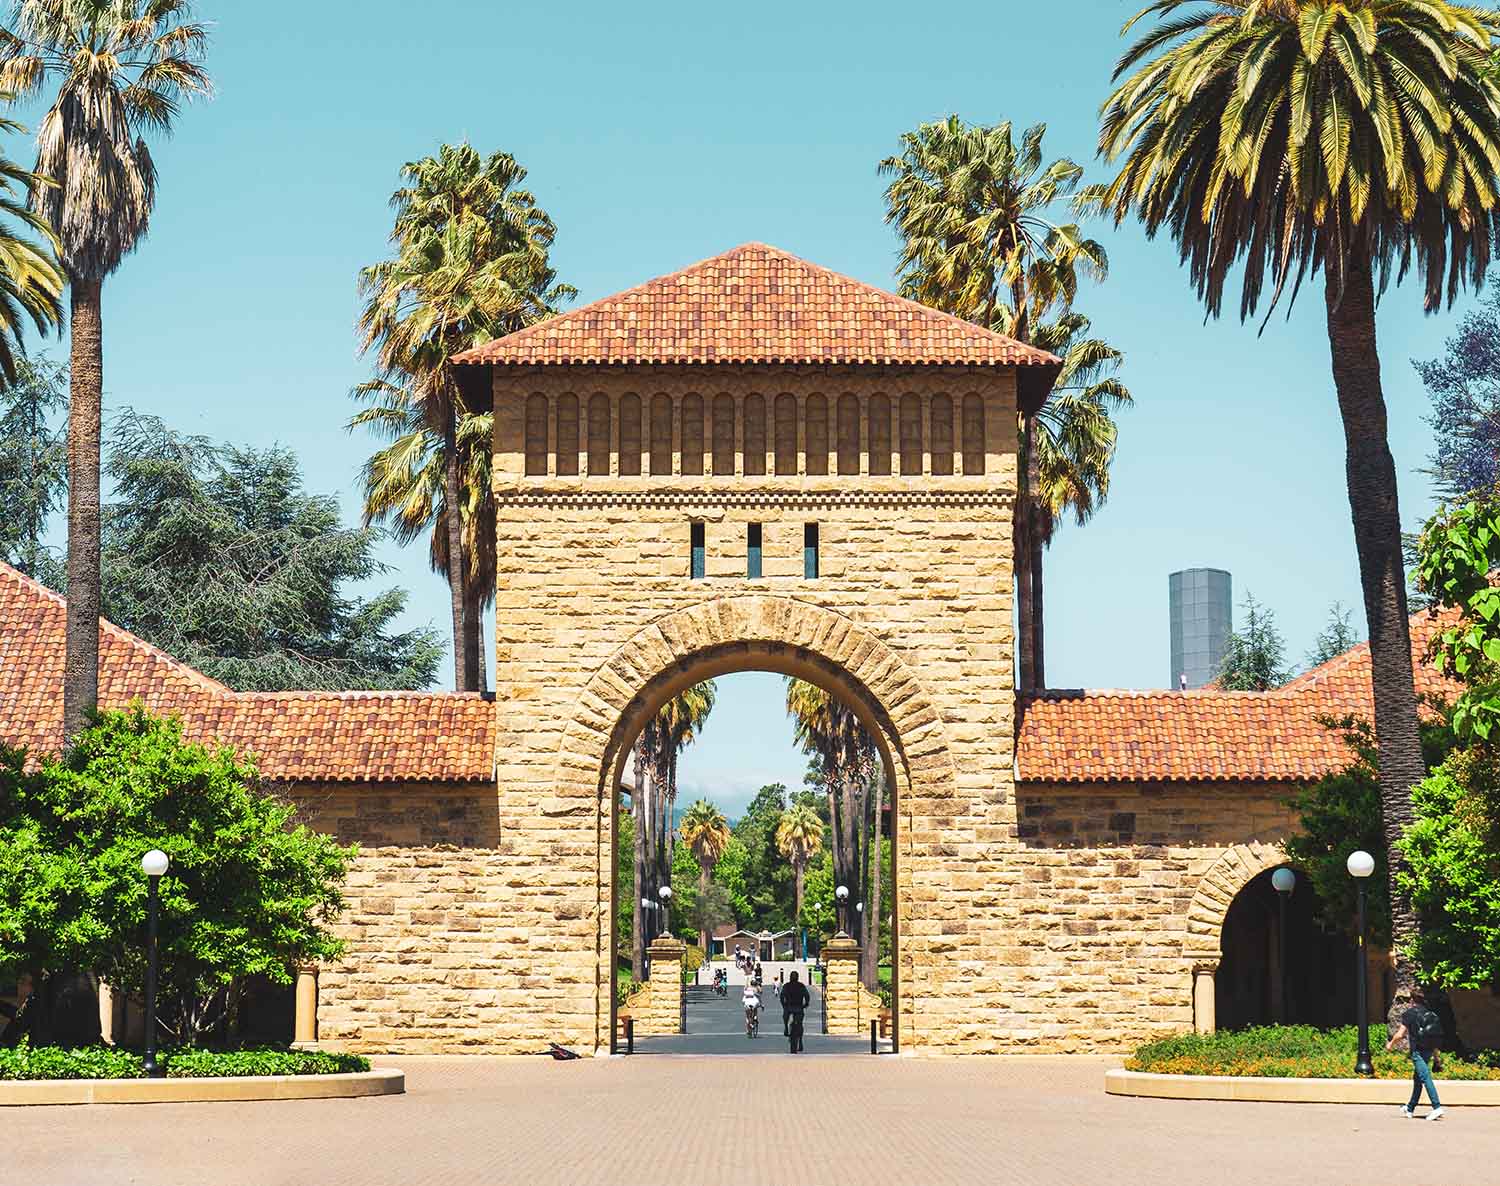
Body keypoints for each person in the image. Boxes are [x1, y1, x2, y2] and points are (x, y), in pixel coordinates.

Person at [1386, 989, 1445, 1120]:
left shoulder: (1409, 1014)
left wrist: (1390, 1044)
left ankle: (1437, 1107)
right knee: (1417, 1078)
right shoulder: (1430, 1014)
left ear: (1412, 1000)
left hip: (1417, 1051)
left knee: (1425, 1077)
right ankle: (1410, 1108)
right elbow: (1433, 1038)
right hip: (1428, 1050)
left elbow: (1400, 1034)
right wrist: (1436, 1058)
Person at [781, 970, 811, 1053]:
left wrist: (784, 1005)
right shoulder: (801, 986)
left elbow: (782, 996)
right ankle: (800, 1041)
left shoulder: (787, 986)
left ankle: (786, 1028)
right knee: (800, 1024)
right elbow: (807, 996)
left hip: (789, 1007)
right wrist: (806, 1004)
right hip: (798, 1007)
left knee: (785, 1017)